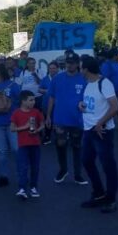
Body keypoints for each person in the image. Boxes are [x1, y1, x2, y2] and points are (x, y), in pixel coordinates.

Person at [79, 56, 118, 214]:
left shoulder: (105, 83)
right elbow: (89, 102)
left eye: (81, 67)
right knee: (87, 161)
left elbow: (115, 107)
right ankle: (98, 193)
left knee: (107, 165)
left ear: (87, 69)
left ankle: (111, 198)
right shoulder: (88, 84)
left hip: (102, 131)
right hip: (88, 129)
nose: (80, 70)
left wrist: (100, 122)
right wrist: (80, 105)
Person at [46, 52, 89, 185]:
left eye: (72, 63)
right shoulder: (57, 79)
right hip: (60, 119)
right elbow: (51, 98)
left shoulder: (84, 79)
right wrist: (48, 115)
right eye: (67, 63)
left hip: (78, 119)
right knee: (60, 145)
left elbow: (89, 98)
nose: (69, 65)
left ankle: (78, 174)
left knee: (77, 146)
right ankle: (63, 169)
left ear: (77, 64)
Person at [10, 90, 44, 200]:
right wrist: (25, 127)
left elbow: (42, 125)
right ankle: (22, 188)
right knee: (22, 167)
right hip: (23, 145)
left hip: (35, 144)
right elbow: (12, 128)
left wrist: (37, 130)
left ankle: (33, 187)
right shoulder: (16, 113)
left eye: (34, 100)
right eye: (31, 100)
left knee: (35, 167)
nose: (33, 102)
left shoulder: (36, 112)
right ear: (23, 101)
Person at [100, 48, 118, 130]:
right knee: (109, 109)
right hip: (112, 92)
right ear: (114, 55)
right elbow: (104, 78)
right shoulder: (107, 65)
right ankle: (105, 124)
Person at [38, 61, 59, 145]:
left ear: (57, 69)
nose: (52, 70)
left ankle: (59, 137)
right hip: (46, 103)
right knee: (48, 119)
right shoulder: (45, 79)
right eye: (50, 68)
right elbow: (39, 89)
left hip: (58, 104)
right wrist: (47, 91)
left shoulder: (60, 78)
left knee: (58, 121)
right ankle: (47, 137)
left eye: (54, 68)